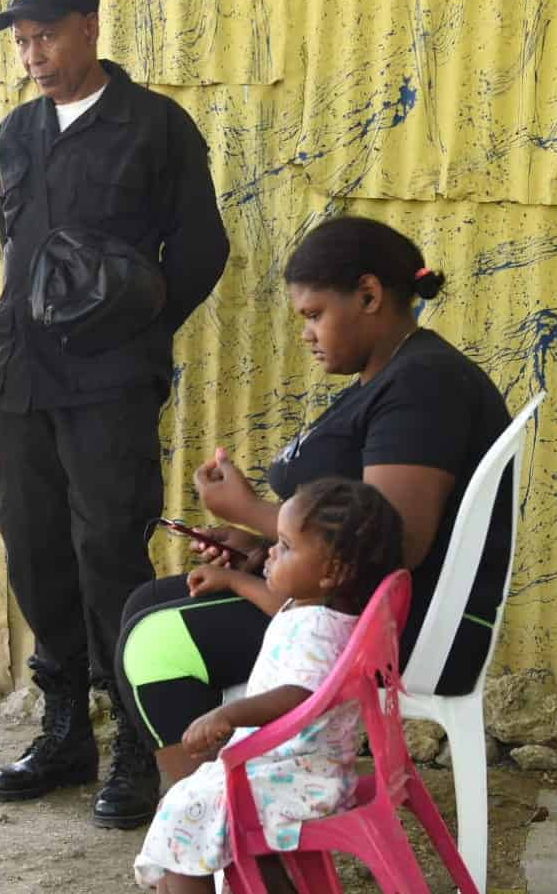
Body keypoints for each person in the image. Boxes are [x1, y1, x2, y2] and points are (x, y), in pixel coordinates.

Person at [115, 216, 514, 787]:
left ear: (370, 296)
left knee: (156, 640)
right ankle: (208, 807)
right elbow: (349, 527)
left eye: (314, 315)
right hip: (350, 608)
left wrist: (250, 511)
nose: (306, 334)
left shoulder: (425, 385)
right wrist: (264, 545)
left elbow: (392, 540)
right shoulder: (390, 377)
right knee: (146, 603)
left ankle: (211, 826)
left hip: (395, 628)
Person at [0, 0, 230, 827]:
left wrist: (132, 333)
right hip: (19, 377)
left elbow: (198, 253)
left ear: (89, 27)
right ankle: (63, 730)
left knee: (109, 552)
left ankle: (134, 739)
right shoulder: (15, 133)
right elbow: (19, 253)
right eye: (20, 40)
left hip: (107, 386)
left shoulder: (153, 126)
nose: (33, 54)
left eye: (45, 35)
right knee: (32, 543)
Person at [133, 478, 405, 893]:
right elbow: (283, 609)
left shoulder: (316, 628)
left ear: (331, 571)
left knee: (185, 813)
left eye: (286, 545)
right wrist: (237, 581)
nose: (272, 551)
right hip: (303, 769)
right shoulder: (322, 612)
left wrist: (227, 714)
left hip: (296, 780)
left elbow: (298, 694)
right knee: (193, 804)